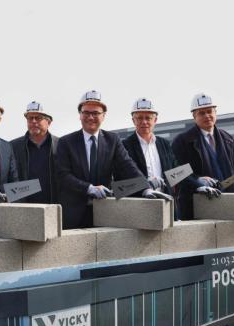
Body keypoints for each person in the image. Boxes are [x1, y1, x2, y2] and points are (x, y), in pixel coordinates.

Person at [56, 90, 172, 229]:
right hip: (74, 214)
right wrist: (88, 188)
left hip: (105, 210)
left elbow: (128, 166)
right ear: (80, 115)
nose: (91, 117)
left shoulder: (113, 140)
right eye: (86, 112)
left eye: (96, 113)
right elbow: (63, 175)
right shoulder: (66, 142)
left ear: (104, 116)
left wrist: (145, 188)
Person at [172, 93, 234, 220]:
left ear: (215, 113)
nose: (207, 115)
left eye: (209, 111)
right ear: (194, 116)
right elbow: (175, 174)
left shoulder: (228, 139)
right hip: (196, 206)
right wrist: (198, 181)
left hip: (229, 204)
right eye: (202, 113)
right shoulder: (182, 141)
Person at [122, 98, 179, 217]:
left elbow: (176, 172)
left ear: (155, 120)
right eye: (139, 118)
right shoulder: (124, 146)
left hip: (166, 205)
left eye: (148, 118)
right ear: (133, 120)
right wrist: (146, 185)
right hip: (139, 208)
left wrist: (198, 181)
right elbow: (121, 185)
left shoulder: (164, 144)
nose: (144, 122)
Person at [10, 101, 59, 204]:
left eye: (38, 118)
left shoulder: (61, 145)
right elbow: (10, 179)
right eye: (30, 118)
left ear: (49, 122)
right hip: (24, 209)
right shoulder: (13, 147)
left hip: (53, 207)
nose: (33, 121)